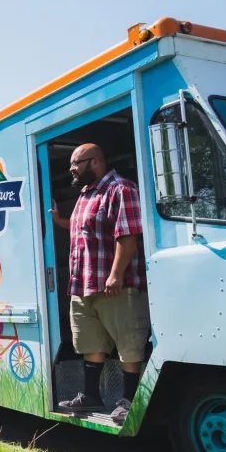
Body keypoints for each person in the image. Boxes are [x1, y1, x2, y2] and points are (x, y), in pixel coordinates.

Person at [50, 143, 149, 425]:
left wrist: (116, 274)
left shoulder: (121, 189)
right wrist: (60, 221)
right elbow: (83, 228)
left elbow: (127, 235)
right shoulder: (85, 194)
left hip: (115, 285)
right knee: (90, 341)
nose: (71, 169)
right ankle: (91, 395)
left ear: (94, 161)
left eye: (75, 163)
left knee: (129, 343)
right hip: (83, 285)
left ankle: (129, 400)